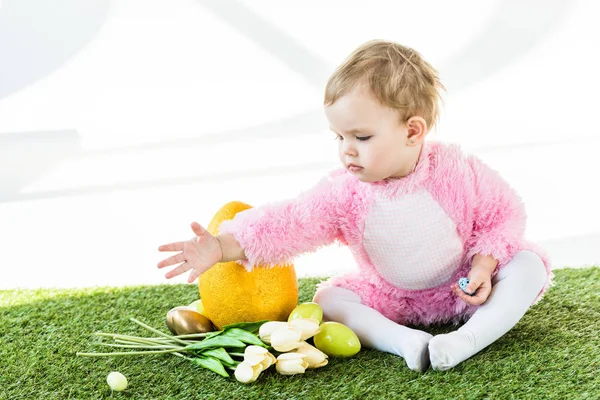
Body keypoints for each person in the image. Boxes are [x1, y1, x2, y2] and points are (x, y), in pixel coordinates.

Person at [157, 40, 552, 372]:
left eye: (361, 136)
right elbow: (291, 221)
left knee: (529, 264)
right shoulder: (344, 192)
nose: (347, 150)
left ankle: (468, 339)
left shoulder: (455, 168)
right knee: (329, 300)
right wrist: (224, 246)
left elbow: (504, 215)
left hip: (464, 287)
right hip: (392, 297)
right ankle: (404, 342)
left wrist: (484, 266)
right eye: (338, 136)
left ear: (413, 131)